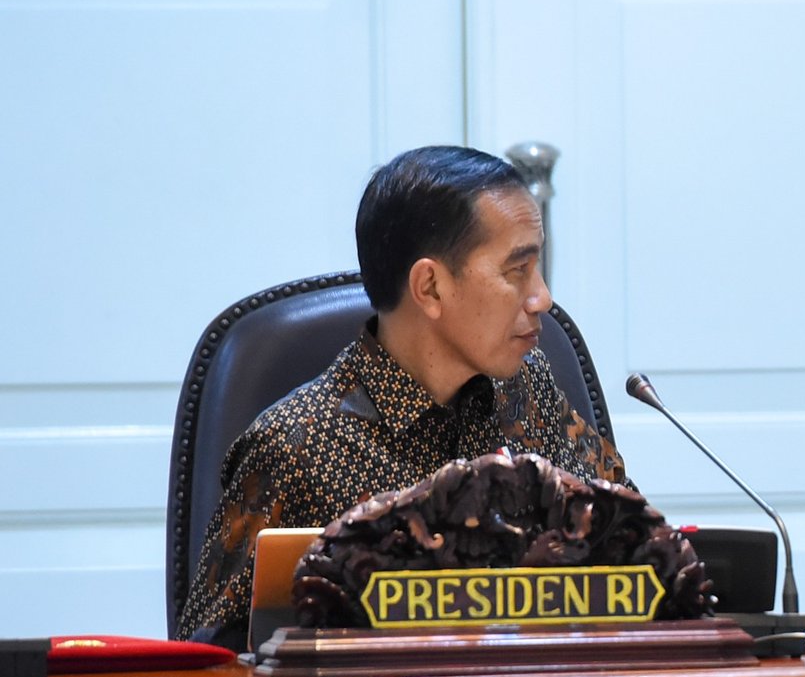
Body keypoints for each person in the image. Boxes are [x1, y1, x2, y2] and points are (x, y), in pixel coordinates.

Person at [178, 145, 627, 647]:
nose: (542, 297)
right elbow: (206, 662)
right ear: (429, 287)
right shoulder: (296, 448)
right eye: (517, 270)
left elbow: (636, 558)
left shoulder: (528, 388)